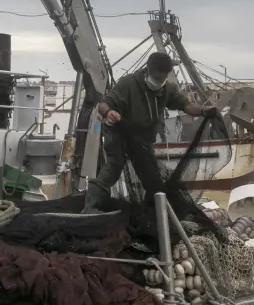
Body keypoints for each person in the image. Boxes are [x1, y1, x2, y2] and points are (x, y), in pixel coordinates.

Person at [83, 51, 218, 213]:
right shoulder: (128, 83)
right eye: (156, 79)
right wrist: (109, 113)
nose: (159, 83)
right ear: (147, 70)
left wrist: (203, 111)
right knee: (114, 166)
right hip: (118, 133)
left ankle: (152, 213)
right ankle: (90, 207)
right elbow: (103, 104)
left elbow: (186, 106)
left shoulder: (167, 89)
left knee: (153, 179)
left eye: (162, 79)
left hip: (142, 139)